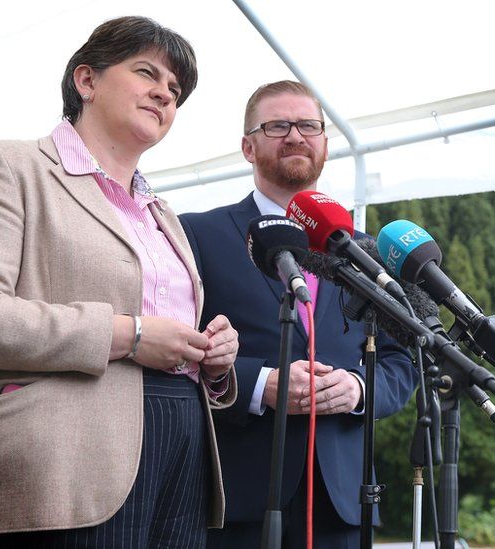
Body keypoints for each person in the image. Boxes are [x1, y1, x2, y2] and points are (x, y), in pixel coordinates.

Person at [0, 16, 239, 546]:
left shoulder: (162, 213)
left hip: (182, 446)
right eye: (147, 73)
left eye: (175, 90)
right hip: (58, 460)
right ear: (86, 81)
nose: (164, 93)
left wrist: (209, 356)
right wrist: (130, 335)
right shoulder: (6, 166)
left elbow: (166, 335)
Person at [180, 80, 420, 548]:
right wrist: (254, 385)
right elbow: (175, 349)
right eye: (277, 126)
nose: (295, 136)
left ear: (326, 143)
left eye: (308, 125)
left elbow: (402, 361)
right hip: (235, 500)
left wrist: (357, 389)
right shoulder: (196, 234)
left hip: (343, 501)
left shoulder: (364, 252)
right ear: (248, 147)